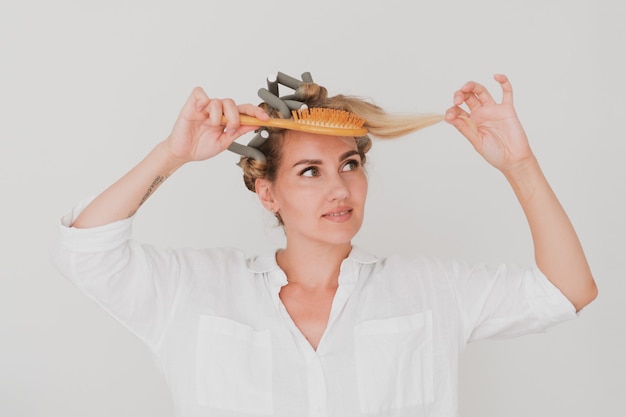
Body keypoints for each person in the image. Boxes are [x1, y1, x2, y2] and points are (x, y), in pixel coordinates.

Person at [51, 71, 597, 417]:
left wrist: (519, 166)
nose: (339, 188)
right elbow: (86, 251)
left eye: (350, 165)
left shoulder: (432, 289)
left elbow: (567, 290)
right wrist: (170, 154)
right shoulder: (192, 292)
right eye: (309, 171)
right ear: (268, 193)